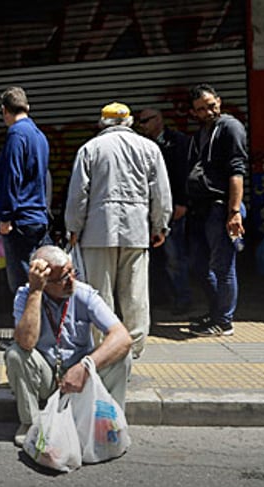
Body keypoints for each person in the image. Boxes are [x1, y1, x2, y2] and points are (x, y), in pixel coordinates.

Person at [65, 102, 172, 363]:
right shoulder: (150, 149)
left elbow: (78, 194)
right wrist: (160, 225)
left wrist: (73, 228)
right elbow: (160, 192)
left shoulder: (90, 149)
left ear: (102, 123)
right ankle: (132, 349)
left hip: (97, 232)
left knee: (99, 293)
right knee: (135, 293)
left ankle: (102, 349)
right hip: (137, 230)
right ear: (130, 122)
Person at [2, 245, 131, 447]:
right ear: (44, 281)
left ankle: (109, 421)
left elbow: (122, 336)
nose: (71, 281)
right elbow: (26, 341)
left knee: (122, 355)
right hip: (48, 378)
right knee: (15, 354)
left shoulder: (84, 293)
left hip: (81, 378)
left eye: (72, 272)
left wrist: (86, 366)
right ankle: (30, 423)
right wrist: (36, 291)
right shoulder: (25, 295)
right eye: (63, 278)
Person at [185, 83, 248, 337]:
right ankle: (215, 313)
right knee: (199, 265)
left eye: (211, 106)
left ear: (219, 102)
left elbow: (237, 170)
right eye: (201, 109)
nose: (208, 112)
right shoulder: (202, 132)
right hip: (201, 208)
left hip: (221, 206)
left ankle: (224, 321)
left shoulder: (230, 127)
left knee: (223, 267)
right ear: (194, 112)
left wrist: (234, 212)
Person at [0, 86, 51, 296]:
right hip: (38, 217)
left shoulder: (16, 135)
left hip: (20, 220)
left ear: (4, 110)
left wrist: (5, 217)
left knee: (22, 284)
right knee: (38, 276)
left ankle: (30, 327)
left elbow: (12, 177)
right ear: (27, 107)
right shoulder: (40, 136)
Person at [136, 107, 193, 314]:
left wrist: (182, 202)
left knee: (174, 256)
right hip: (148, 208)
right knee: (154, 257)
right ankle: (160, 295)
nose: (142, 126)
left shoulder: (177, 142)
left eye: (145, 121)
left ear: (158, 120)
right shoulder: (141, 144)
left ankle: (182, 298)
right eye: (139, 122)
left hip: (171, 208)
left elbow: (184, 174)